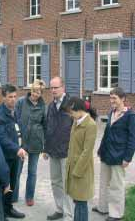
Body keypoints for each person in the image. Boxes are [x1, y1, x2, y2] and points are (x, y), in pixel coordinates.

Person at [93, 87, 135, 221]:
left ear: (123, 99)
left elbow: (132, 138)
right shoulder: (111, 112)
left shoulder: (130, 116)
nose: (112, 101)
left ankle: (116, 214)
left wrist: (127, 158)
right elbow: (106, 133)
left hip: (119, 155)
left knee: (116, 185)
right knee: (104, 182)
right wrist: (100, 149)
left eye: (114, 98)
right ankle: (103, 207)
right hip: (106, 153)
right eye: (110, 98)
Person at [0, 84, 26, 219]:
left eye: (15, 97)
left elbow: (17, 129)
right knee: (4, 184)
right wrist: (16, 148)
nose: (13, 99)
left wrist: (23, 145)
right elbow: (0, 137)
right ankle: (1, 212)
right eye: (10, 97)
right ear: (3, 97)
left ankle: (9, 207)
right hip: (5, 156)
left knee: (12, 182)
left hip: (15, 155)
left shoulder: (14, 110)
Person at [12, 79, 47, 206]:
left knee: (32, 172)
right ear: (30, 90)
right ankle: (13, 196)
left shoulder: (43, 106)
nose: (35, 94)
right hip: (21, 142)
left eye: (38, 92)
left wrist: (45, 145)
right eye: (34, 91)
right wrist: (17, 136)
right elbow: (14, 119)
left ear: (41, 93)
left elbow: (45, 125)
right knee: (17, 171)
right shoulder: (21, 102)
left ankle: (29, 197)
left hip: (36, 142)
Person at [43, 76, 73, 221]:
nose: (53, 90)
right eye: (51, 88)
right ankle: (60, 209)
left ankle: (69, 214)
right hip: (53, 150)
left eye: (56, 87)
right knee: (55, 182)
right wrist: (46, 148)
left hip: (67, 151)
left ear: (63, 88)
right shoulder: (50, 106)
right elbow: (48, 127)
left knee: (67, 184)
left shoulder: (72, 104)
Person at [65, 97, 97, 221]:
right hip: (73, 167)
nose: (70, 115)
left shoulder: (90, 125)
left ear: (79, 110)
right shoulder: (76, 121)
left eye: (71, 112)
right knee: (76, 200)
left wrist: (77, 171)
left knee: (81, 202)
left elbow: (87, 151)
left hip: (81, 171)